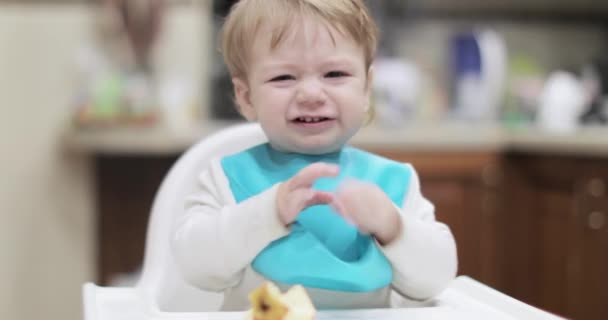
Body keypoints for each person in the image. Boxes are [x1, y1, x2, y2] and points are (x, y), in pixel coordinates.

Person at [171, 0, 457, 311]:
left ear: (366, 89)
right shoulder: (226, 178)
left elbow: (437, 279)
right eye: (283, 78)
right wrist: (269, 212)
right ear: (246, 96)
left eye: (334, 73)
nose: (310, 94)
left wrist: (393, 226)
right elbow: (194, 267)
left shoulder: (394, 183)